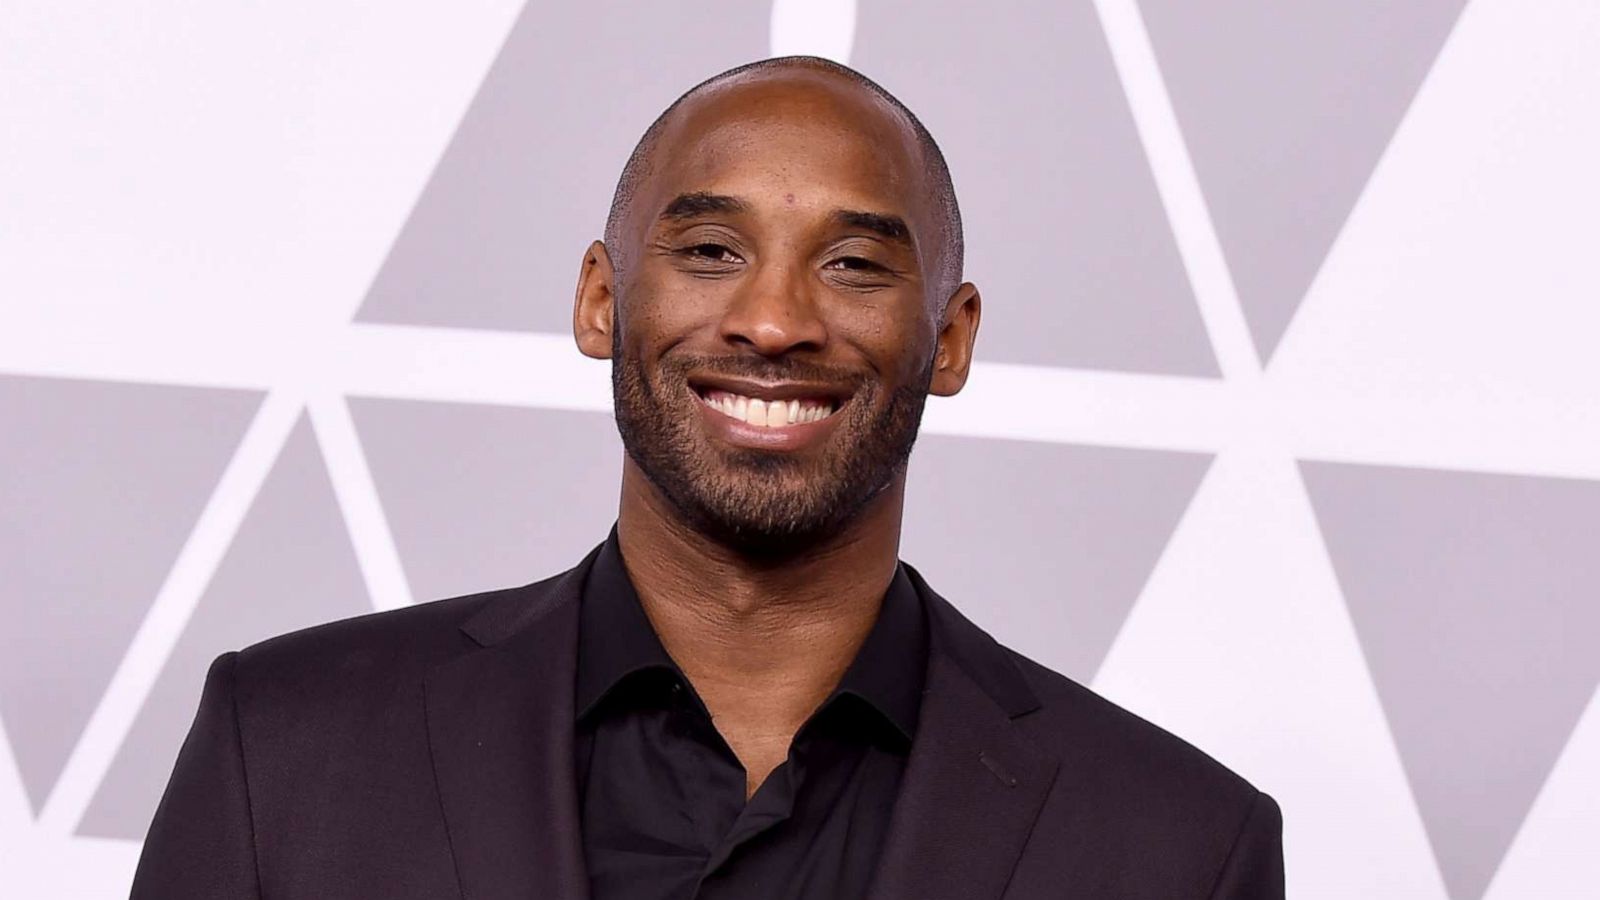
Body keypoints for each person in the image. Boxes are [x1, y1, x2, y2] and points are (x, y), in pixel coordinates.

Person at [132, 56, 1283, 899]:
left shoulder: (1178, 845)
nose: (774, 321)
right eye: (708, 252)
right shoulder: (285, 749)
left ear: (949, 338)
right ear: (600, 298)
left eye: (852, 264)